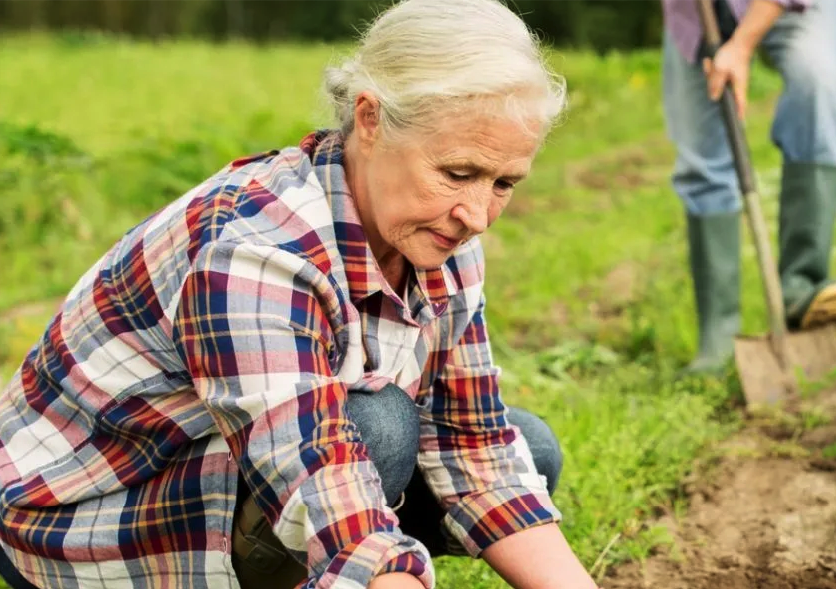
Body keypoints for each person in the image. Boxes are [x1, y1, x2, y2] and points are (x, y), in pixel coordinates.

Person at [0, 1, 600, 587]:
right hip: (86, 518)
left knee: (530, 450)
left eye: (504, 183)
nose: (478, 214)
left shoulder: (441, 233)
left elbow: (475, 446)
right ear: (370, 118)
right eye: (457, 172)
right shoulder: (256, 251)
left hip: (246, 465)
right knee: (378, 427)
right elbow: (319, 477)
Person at [661, 0, 836, 374]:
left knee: (818, 85)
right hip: (696, 14)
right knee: (701, 159)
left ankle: (801, 289)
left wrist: (740, 46)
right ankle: (719, 338)